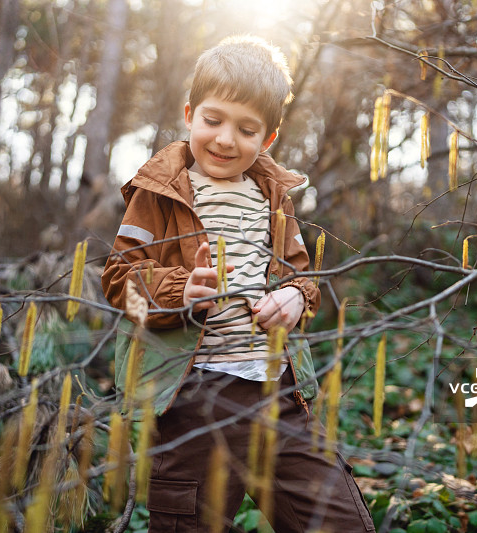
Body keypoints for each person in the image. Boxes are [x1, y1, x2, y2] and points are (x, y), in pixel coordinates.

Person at [101, 35, 375, 533]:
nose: (226, 139)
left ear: (267, 139)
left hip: (277, 395)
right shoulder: (158, 193)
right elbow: (119, 279)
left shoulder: (273, 197)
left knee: (338, 521)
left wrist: (295, 296)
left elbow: (299, 275)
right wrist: (179, 292)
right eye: (213, 120)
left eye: (246, 129)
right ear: (190, 115)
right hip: (191, 398)